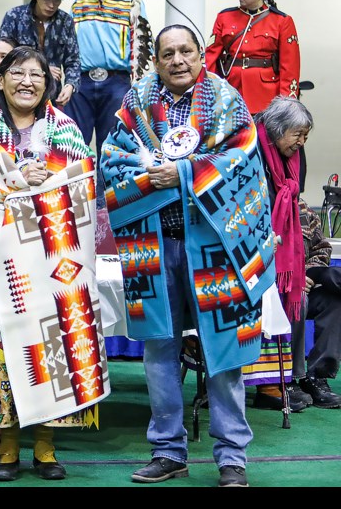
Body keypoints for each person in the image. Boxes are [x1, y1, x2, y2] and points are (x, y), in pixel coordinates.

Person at [100, 24, 279, 488]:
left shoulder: (226, 101)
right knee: (160, 348)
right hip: (153, 247)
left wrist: (179, 174)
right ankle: (167, 451)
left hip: (217, 246)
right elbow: (112, 162)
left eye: (186, 51)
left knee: (223, 355)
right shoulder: (136, 105)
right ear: (155, 61)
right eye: (167, 53)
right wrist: (148, 175)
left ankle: (231, 457)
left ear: (202, 55)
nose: (177, 60)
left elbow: (241, 161)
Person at [0, 46, 110, 483]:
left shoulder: (67, 130)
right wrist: (15, 181)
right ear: (1, 79)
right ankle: (9, 444)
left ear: (48, 83)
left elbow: (81, 191)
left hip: (52, 260)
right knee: (4, 352)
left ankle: (47, 447)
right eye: (17, 73)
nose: (26, 81)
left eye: (36, 74)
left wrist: (43, 185)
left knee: (54, 346)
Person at [243, 96, 313, 413]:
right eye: (297, 134)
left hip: (287, 250)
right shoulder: (249, 149)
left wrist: (304, 266)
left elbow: (298, 211)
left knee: (304, 292)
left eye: (306, 136)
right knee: (276, 292)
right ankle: (270, 385)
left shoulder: (296, 156)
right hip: (251, 249)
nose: (301, 143)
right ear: (276, 128)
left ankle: (293, 379)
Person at [69, 0, 148, 158]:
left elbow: (142, 44)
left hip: (117, 84)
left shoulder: (131, 1)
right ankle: (78, 190)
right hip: (81, 83)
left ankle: (106, 192)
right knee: (74, 143)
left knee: (112, 145)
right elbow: (68, 45)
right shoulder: (79, 2)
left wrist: (138, 84)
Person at [204, 0, 301, 116]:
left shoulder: (281, 21)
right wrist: (210, 91)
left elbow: (289, 68)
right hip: (230, 93)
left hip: (266, 97)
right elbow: (210, 57)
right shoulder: (225, 17)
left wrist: (286, 105)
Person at [0, 0, 80, 107]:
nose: (52, 5)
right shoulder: (14, 16)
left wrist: (70, 85)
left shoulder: (66, 21)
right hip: (18, 89)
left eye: (57, 0)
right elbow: (3, 54)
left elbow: (73, 60)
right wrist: (44, 69)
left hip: (51, 94)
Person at [295, 198, 341, 409]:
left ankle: (316, 376)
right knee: (298, 300)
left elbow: (321, 248)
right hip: (271, 290)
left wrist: (310, 275)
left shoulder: (302, 207)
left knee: (334, 300)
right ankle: (284, 378)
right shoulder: (257, 203)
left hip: (304, 284)